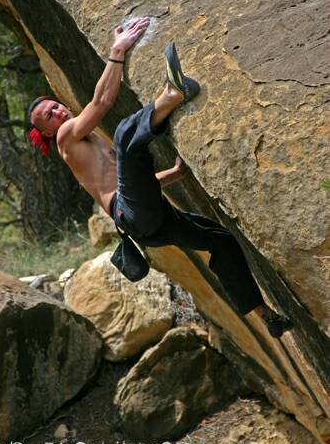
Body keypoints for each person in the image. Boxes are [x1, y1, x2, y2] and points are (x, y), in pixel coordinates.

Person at [28, 18, 293, 338]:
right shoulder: (66, 138)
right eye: (49, 117)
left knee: (220, 240)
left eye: (55, 106)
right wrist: (118, 50)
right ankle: (172, 94)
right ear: (46, 131)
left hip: (146, 222)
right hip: (131, 212)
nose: (58, 112)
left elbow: (137, 182)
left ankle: (265, 316)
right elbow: (102, 102)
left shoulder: (85, 140)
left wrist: (177, 174)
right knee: (126, 135)